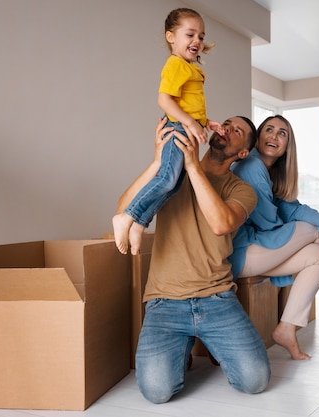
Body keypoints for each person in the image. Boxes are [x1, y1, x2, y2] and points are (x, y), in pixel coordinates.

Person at [116, 115, 270, 404]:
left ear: (243, 153)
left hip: (217, 300)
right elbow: (124, 208)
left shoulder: (242, 191)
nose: (226, 129)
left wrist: (191, 165)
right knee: (156, 391)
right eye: (226, 123)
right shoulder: (170, 179)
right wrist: (157, 163)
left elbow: (221, 223)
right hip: (165, 301)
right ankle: (183, 348)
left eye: (237, 131)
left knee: (256, 380)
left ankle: (207, 345)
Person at [229, 114, 319, 360]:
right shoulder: (250, 166)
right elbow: (268, 221)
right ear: (258, 137)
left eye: (282, 133)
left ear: (287, 146)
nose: (274, 136)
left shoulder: (269, 172)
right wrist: (310, 228)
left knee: (317, 256)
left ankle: (287, 327)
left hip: (257, 249)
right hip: (240, 252)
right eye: (269, 130)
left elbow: (292, 208)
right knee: (312, 232)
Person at [113, 8, 223, 256]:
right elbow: (164, 100)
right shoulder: (176, 65)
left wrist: (206, 122)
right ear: (171, 37)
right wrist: (191, 124)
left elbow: (189, 103)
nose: (197, 41)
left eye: (201, 36)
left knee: (173, 186)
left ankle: (140, 222)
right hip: (177, 128)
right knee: (166, 179)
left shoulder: (189, 67)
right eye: (190, 34)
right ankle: (127, 217)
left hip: (184, 126)